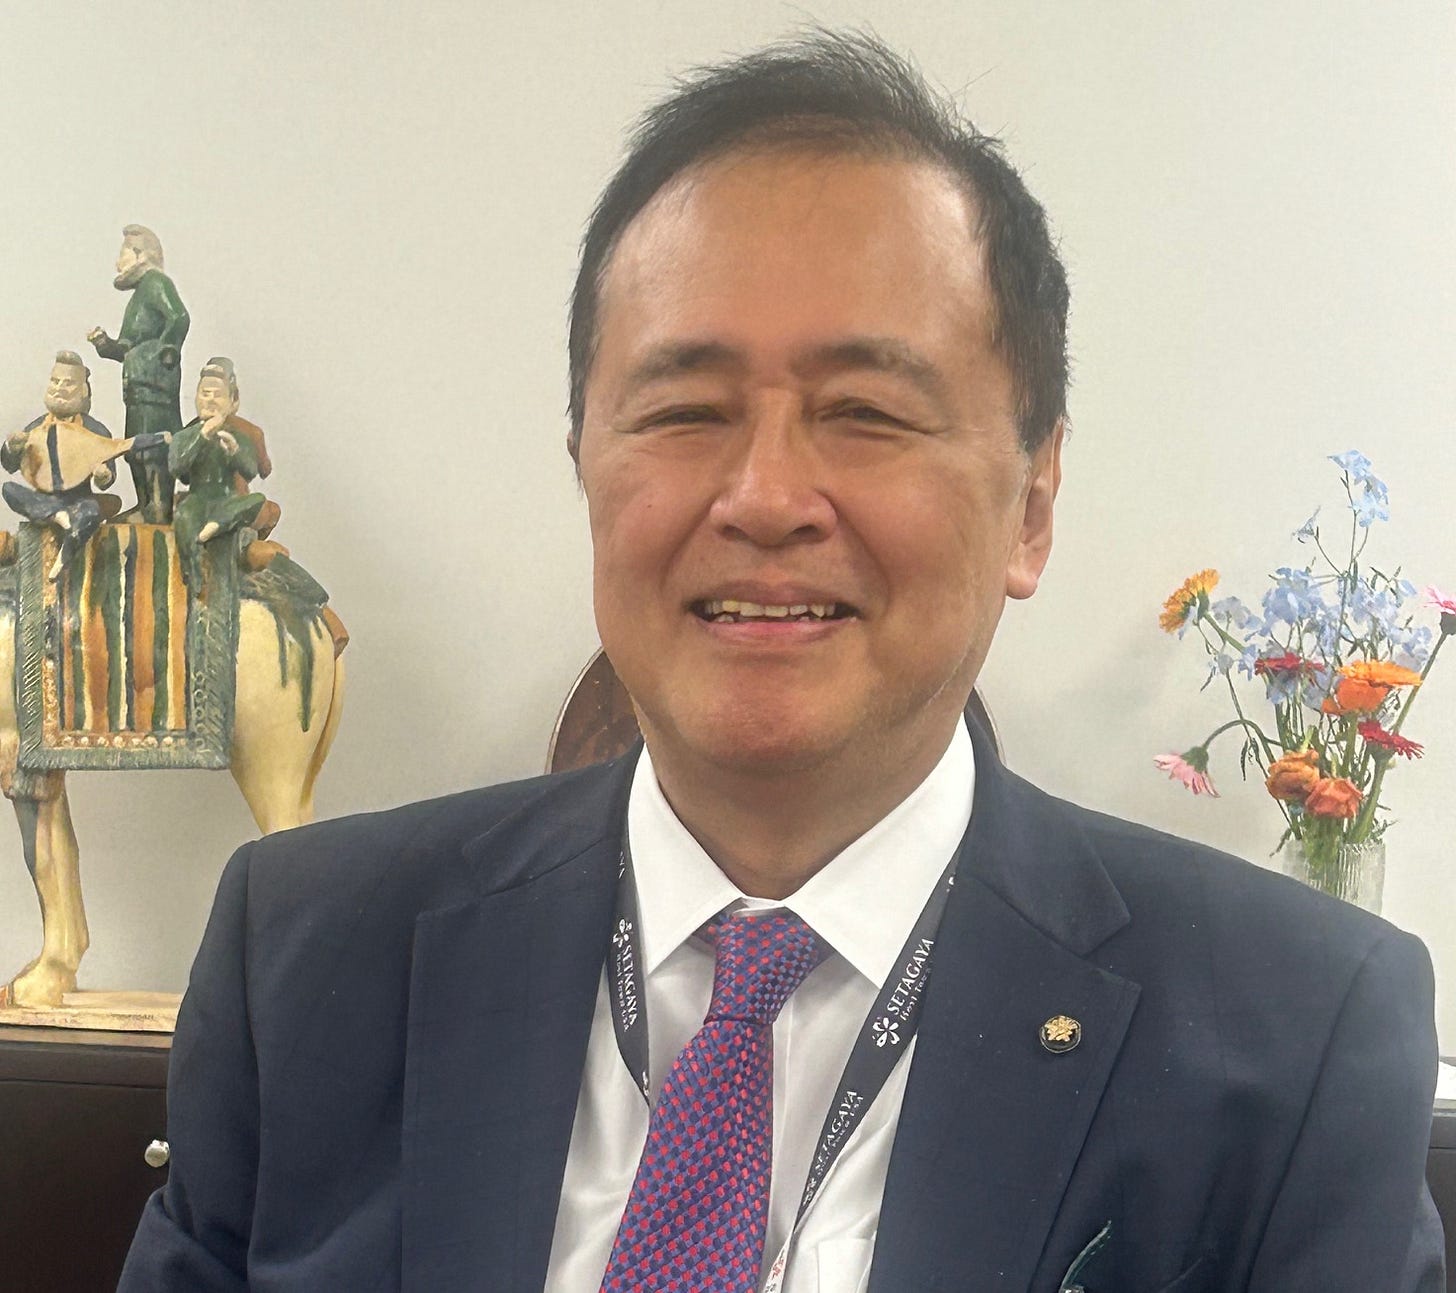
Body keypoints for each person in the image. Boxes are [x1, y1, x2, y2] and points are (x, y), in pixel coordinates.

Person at [120, 31, 1443, 1293]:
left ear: (1033, 503)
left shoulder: (1292, 1033)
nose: (761, 497)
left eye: (865, 412)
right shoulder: (309, 961)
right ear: (584, 461)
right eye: (683, 410)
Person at [88, 224, 190, 523]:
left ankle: (159, 507)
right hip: (136, 385)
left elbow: (179, 317)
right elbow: (126, 347)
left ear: (140, 254)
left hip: (154, 385)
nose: (118, 263)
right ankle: (146, 505)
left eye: (123, 254)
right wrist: (104, 344)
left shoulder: (157, 283)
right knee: (135, 447)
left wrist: (167, 351)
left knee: (155, 445)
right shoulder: (139, 296)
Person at [2, 350, 123, 579]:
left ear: (83, 390)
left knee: (91, 512)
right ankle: (56, 514)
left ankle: (64, 555)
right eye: (55, 381)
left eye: (68, 383)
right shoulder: (37, 426)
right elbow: (10, 465)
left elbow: (107, 479)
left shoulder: (95, 430)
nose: (59, 388)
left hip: (78, 499)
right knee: (9, 489)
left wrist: (103, 475)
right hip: (43, 499)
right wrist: (12, 447)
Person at [169, 357, 278, 587]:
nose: (210, 400)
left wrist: (234, 450)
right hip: (198, 497)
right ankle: (193, 574)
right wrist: (202, 437)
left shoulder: (239, 435)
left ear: (231, 403)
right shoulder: (185, 435)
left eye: (217, 395)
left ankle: (217, 524)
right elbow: (177, 468)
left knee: (257, 500)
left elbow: (250, 471)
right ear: (196, 398)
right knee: (183, 516)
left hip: (227, 498)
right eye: (205, 394)